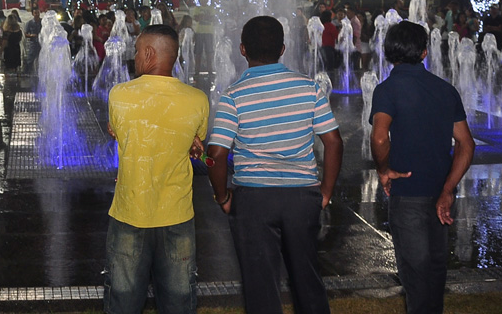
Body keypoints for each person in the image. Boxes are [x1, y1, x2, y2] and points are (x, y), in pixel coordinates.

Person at [206, 16, 344, 314]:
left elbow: (215, 154)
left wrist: (222, 196)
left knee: (260, 284)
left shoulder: (233, 97)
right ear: (283, 49)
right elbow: (333, 141)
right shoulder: (309, 89)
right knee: (307, 276)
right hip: (302, 196)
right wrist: (325, 192)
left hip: (253, 199)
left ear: (242, 50)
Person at [370, 20, 475, 314]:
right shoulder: (445, 90)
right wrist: (448, 188)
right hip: (440, 195)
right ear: (425, 52)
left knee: (416, 278)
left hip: (408, 194)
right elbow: (466, 144)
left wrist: (383, 169)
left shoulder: (387, 89)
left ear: (389, 53)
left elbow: (379, 137)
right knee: (435, 274)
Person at [104, 24, 208, 314]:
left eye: (137, 51)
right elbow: (196, 147)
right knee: (178, 299)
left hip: (129, 211)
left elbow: (117, 131)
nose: (135, 56)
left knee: (122, 299)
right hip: (177, 214)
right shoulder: (198, 99)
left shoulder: (119, 95)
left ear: (149, 54)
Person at [22, 7, 42, 71]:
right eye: (35, 13)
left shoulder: (43, 22)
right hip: (33, 43)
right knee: (30, 59)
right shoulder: (29, 23)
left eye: (38, 13)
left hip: (41, 43)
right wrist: (31, 35)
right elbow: (25, 34)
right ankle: (28, 72)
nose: (37, 14)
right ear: (33, 14)